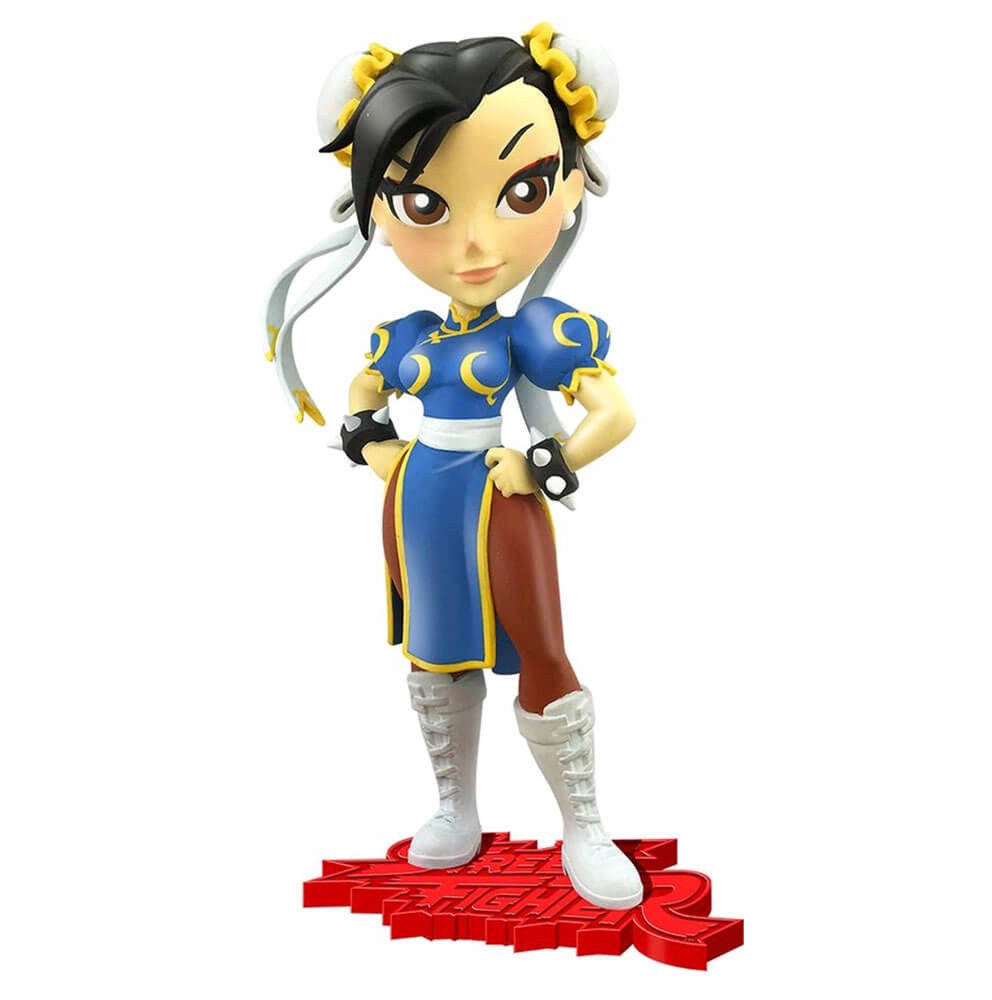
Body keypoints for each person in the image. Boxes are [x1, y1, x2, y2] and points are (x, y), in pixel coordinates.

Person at [266, 25, 644, 910]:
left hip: (499, 506)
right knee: (435, 656)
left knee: (542, 651)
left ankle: (583, 825)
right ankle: (454, 804)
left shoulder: (534, 331)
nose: (476, 244)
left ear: (571, 183)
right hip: (418, 506)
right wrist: (379, 452)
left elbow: (616, 415)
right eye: (425, 203)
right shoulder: (407, 337)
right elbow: (363, 401)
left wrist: (543, 462)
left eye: (522, 190)